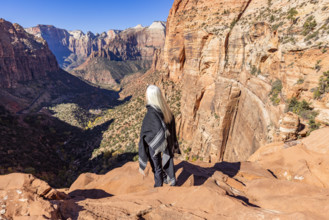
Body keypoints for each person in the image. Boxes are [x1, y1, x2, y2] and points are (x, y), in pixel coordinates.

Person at [138, 85, 180, 187]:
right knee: (168, 158)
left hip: (154, 144)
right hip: (165, 141)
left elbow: (145, 131)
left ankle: (158, 186)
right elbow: (168, 126)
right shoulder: (165, 110)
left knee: (157, 167)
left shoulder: (151, 113)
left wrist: (148, 139)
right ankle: (171, 179)